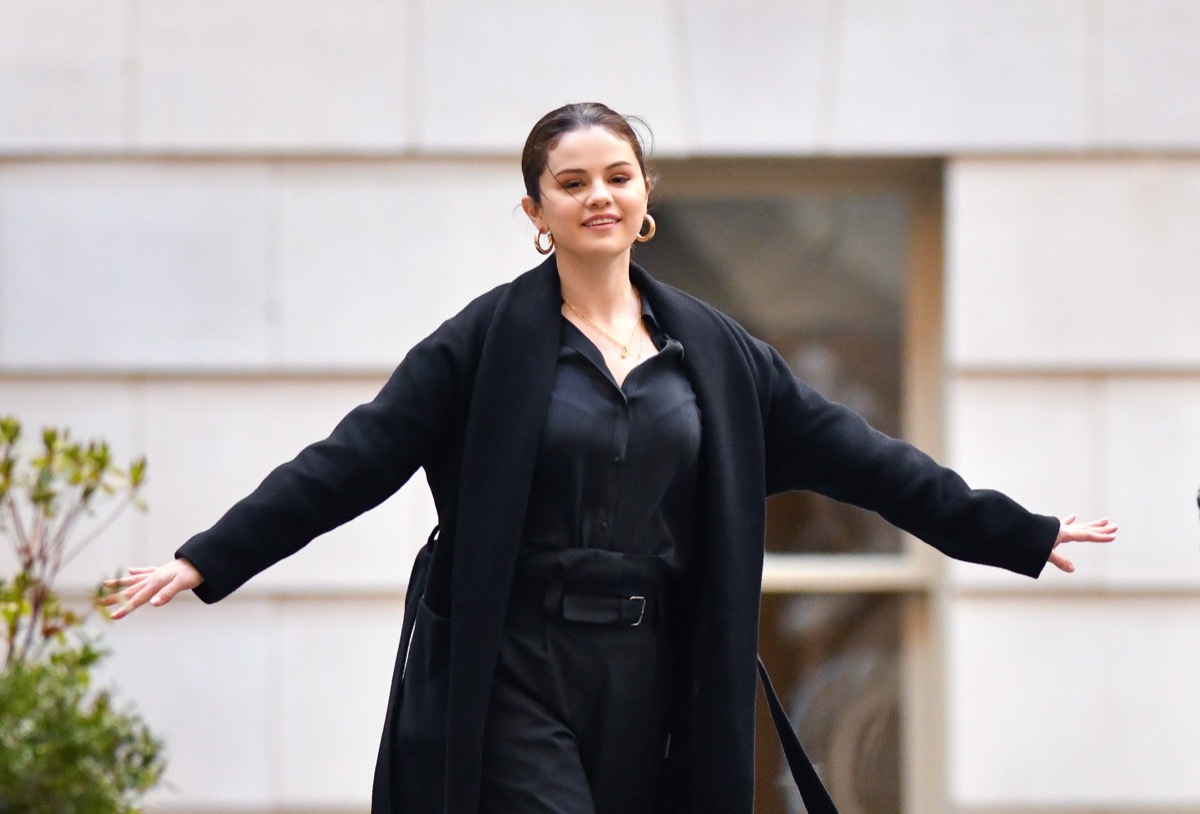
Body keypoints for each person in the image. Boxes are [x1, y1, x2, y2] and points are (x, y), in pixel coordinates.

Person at [102, 102, 1117, 814]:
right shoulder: (483, 345)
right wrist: (208, 556)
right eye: (571, 182)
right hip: (510, 663)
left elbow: (869, 461)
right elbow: (351, 458)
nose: (599, 195)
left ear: (646, 196)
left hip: (649, 669)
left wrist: (1014, 529)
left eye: (617, 177)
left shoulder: (717, 355)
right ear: (536, 211)